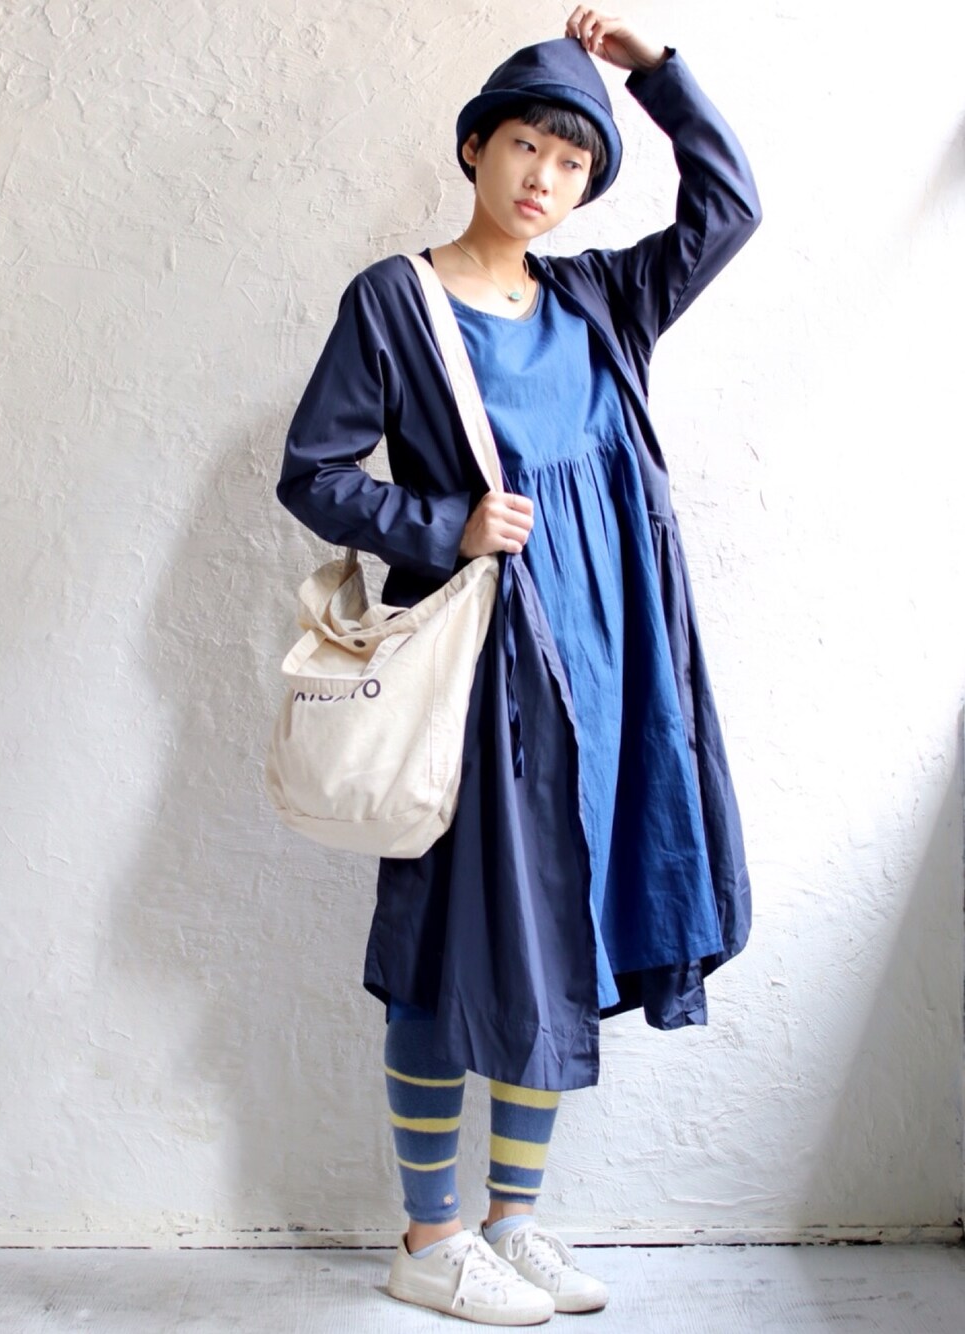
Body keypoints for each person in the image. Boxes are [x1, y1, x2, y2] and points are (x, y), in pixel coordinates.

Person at [277, 7, 760, 1325]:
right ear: (475, 148)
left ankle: (513, 1221)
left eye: (574, 159)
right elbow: (312, 472)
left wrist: (654, 74)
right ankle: (430, 1236)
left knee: (567, 930)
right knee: (449, 942)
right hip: (477, 680)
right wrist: (444, 523)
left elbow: (729, 207)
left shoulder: (602, 300)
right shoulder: (397, 302)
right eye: (527, 146)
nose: (546, 175)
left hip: (606, 672)